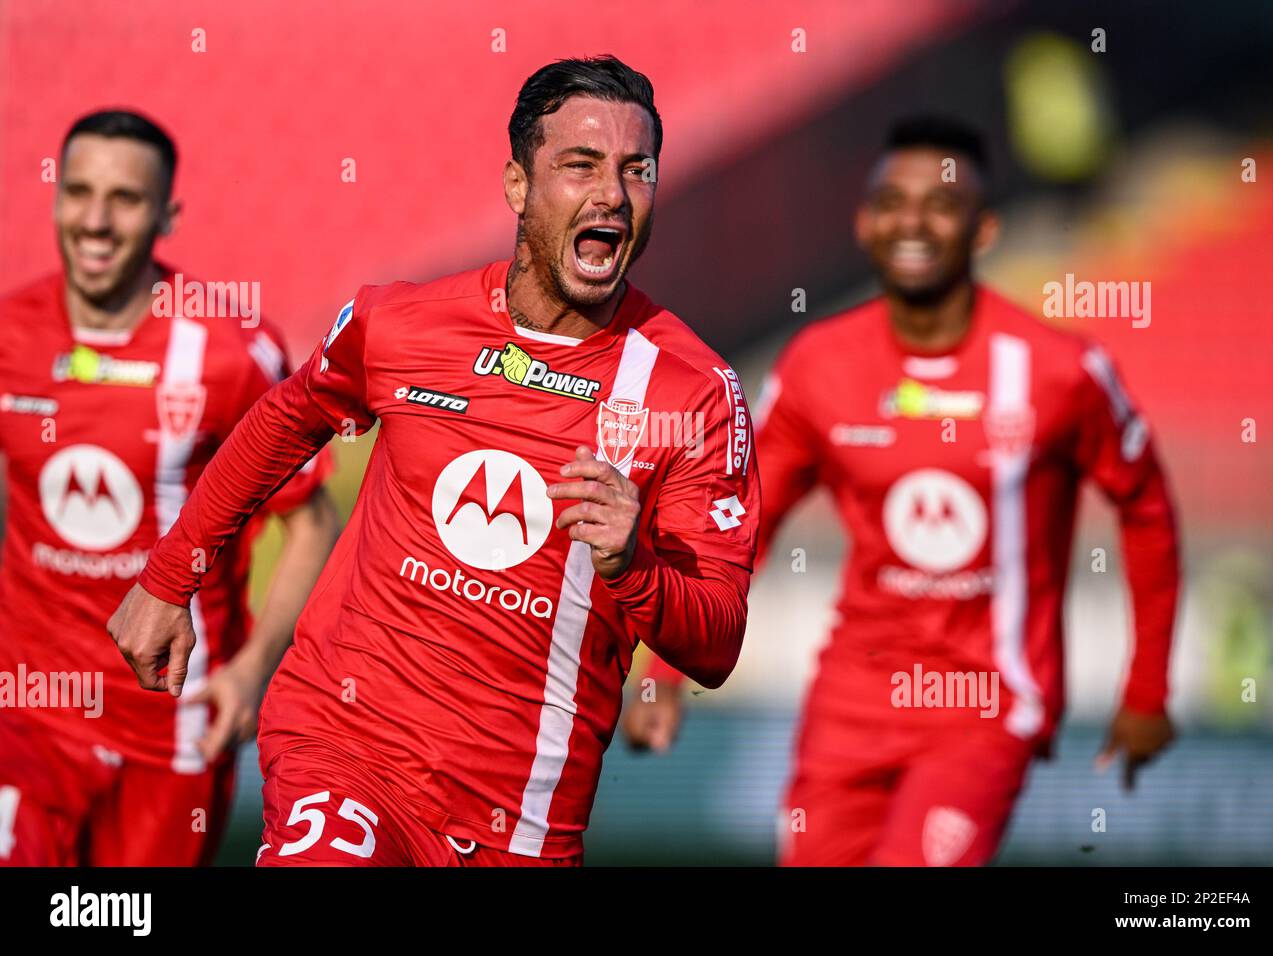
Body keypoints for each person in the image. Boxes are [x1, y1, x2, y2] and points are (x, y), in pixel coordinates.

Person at [107, 56, 760, 866]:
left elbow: (718, 640)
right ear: (519, 187)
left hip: (519, 816)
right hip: (343, 748)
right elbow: (283, 420)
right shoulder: (401, 325)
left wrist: (635, 566)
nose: (613, 196)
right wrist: (170, 577)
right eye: (581, 166)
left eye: (637, 171)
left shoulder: (693, 392)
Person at [624, 115, 1180, 866]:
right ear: (864, 223)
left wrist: (1146, 691)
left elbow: (1145, 509)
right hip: (851, 700)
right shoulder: (820, 363)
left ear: (983, 230)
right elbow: (744, 523)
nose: (912, 220)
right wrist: (666, 675)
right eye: (891, 200)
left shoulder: (1060, 370)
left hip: (986, 706)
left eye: (941, 204)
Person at [0, 110, 339, 866]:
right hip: (28, 709)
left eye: (123, 199)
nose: (95, 220)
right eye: (78, 191)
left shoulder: (227, 350)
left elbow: (311, 522)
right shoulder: (9, 334)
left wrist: (254, 672)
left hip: (173, 720)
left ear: (167, 214)